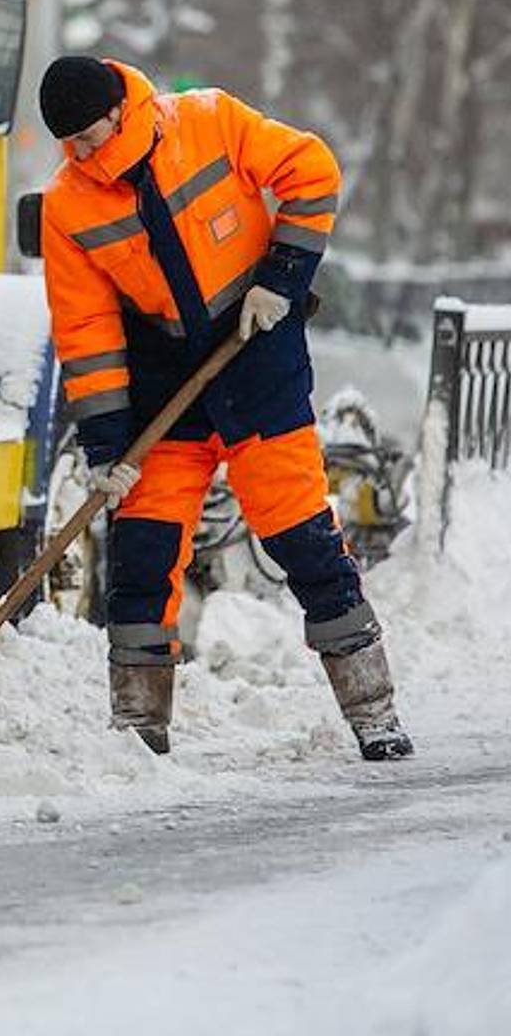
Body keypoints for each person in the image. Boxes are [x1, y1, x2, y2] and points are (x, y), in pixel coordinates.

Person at [37, 55, 413, 761]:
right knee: (142, 557)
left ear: (119, 109)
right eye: (72, 146)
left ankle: (374, 711)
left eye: (90, 136)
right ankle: (138, 731)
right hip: (163, 390)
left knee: (303, 539)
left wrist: (282, 276)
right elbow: (86, 334)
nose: (84, 155)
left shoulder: (208, 120)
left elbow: (313, 171)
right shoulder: (68, 204)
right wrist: (107, 449)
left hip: (254, 357)